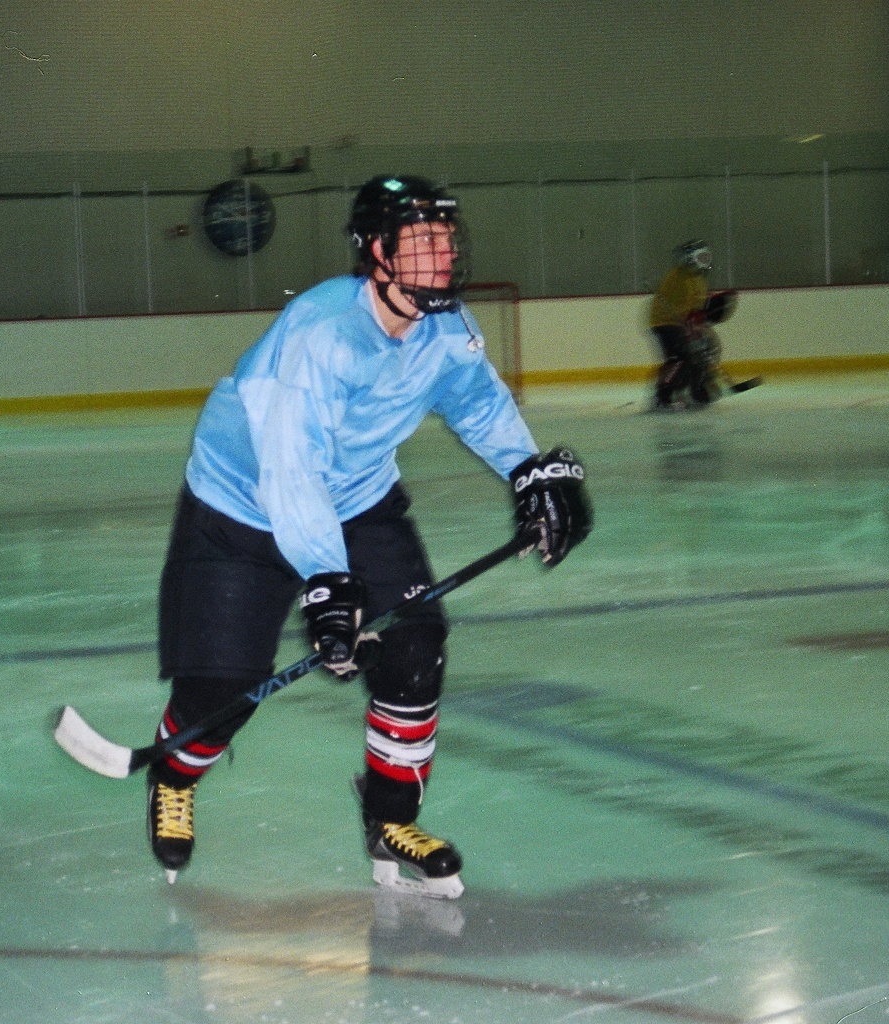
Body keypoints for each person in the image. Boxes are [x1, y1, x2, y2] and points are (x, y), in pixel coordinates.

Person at [143, 174, 592, 899]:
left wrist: (527, 472)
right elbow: (291, 475)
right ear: (378, 253)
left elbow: (479, 403)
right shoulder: (320, 336)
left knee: (415, 648)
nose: (442, 254)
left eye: (446, 238)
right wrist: (329, 580)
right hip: (244, 504)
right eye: (422, 240)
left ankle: (391, 820)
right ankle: (174, 772)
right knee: (224, 685)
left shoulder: (445, 328)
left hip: (358, 499)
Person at [647, 240, 740, 409]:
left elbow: (698, 308)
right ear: (690, 259)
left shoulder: (699, 280)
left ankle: (698, 390)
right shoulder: (678, 276)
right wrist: (693, 326)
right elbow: (684, 306)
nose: (706, 262)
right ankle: (663, 395)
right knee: (680, 357)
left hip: (682, 322)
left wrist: (699, 325)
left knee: (703, 351)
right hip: (665, 322)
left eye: (707, 257)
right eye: (701, 257)